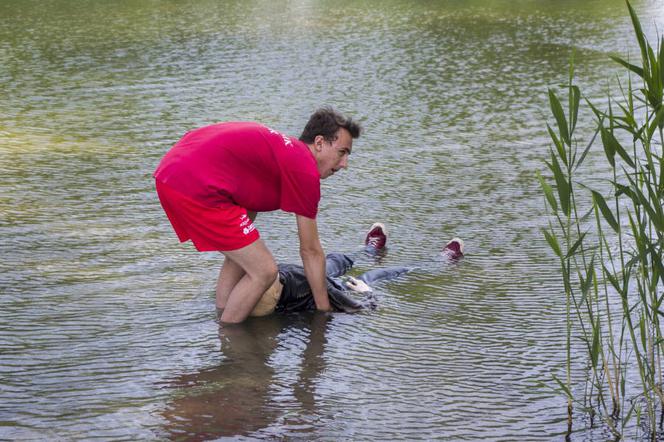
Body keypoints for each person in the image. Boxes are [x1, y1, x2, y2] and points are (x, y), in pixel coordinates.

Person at [154, 107, 362, 324]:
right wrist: (324, 311)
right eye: (342, 152)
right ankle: (231, 340)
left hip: (173, 170)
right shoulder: (304, 169)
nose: (344, 164)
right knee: (264, 271)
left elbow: (246, 213)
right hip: (190, 181)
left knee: (241, 257)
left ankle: (223, 314)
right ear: (319, 143)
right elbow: (310, 250)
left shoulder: (285, 154)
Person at [248, 223, 465, 317]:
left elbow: (358, 308)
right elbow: (363, 308)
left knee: (334, 260)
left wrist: (364, 294)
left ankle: (370, 249)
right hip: (314, 290)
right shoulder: (248, 294)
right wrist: (366, 290)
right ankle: (440, 260)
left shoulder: (293, 277)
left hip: (318, 284)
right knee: (374, 276)